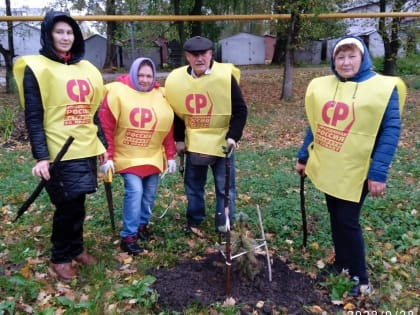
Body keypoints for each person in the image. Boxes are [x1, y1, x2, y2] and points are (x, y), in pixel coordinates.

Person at [295, 35, 406, 297]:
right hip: (330, 165)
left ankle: (361, 278)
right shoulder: (326, 87)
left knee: (347, 221)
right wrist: (303, 156)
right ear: (333, 61)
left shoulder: (382, 88)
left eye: (351, 56)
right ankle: (342, 264)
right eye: (340, 57)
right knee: (336, 217)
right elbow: (316, 124)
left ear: (363, 57)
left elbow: (390, 130)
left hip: (357, 170)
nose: (345, 62)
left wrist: (378, 172)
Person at [13, 10, 107, 282]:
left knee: (78, 203)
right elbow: (34, 116)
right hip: (58, 150)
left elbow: (93, 112)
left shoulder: (87, 69)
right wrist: (41, 156)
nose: (65, 37)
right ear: (48, 34)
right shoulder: (37, 69)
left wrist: (101, 145)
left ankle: (76, 249)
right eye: (59, 32)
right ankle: (60, 257)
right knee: (66, 205)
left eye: (69, 32)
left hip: (84, 148)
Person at [165, 36, 248, 234]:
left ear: (211, 54)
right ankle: (194, 221)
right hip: (195, 143)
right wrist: (178, 139)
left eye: (204, 54)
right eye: (194, 55)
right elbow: (177, 112)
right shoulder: (178, 81)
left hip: (222, 143)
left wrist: (233, 137)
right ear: (187, 56)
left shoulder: (225, 77)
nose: (199, 58)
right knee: (193, 187)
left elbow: (240, 110)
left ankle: (223, 226)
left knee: (225, 189)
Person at [99, 57, 176, 255]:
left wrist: (170, 155)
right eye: (140, 75)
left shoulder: (161, 95)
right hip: (128, 156)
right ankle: (129, 235)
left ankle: (142, 225)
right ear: (133, 73)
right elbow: (106, 127)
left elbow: (166, 128)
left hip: (152, 156)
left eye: (149, 76)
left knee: (149, 195)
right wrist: (107, 156)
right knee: (135, 193)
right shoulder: (118, 92)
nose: (144, 79)